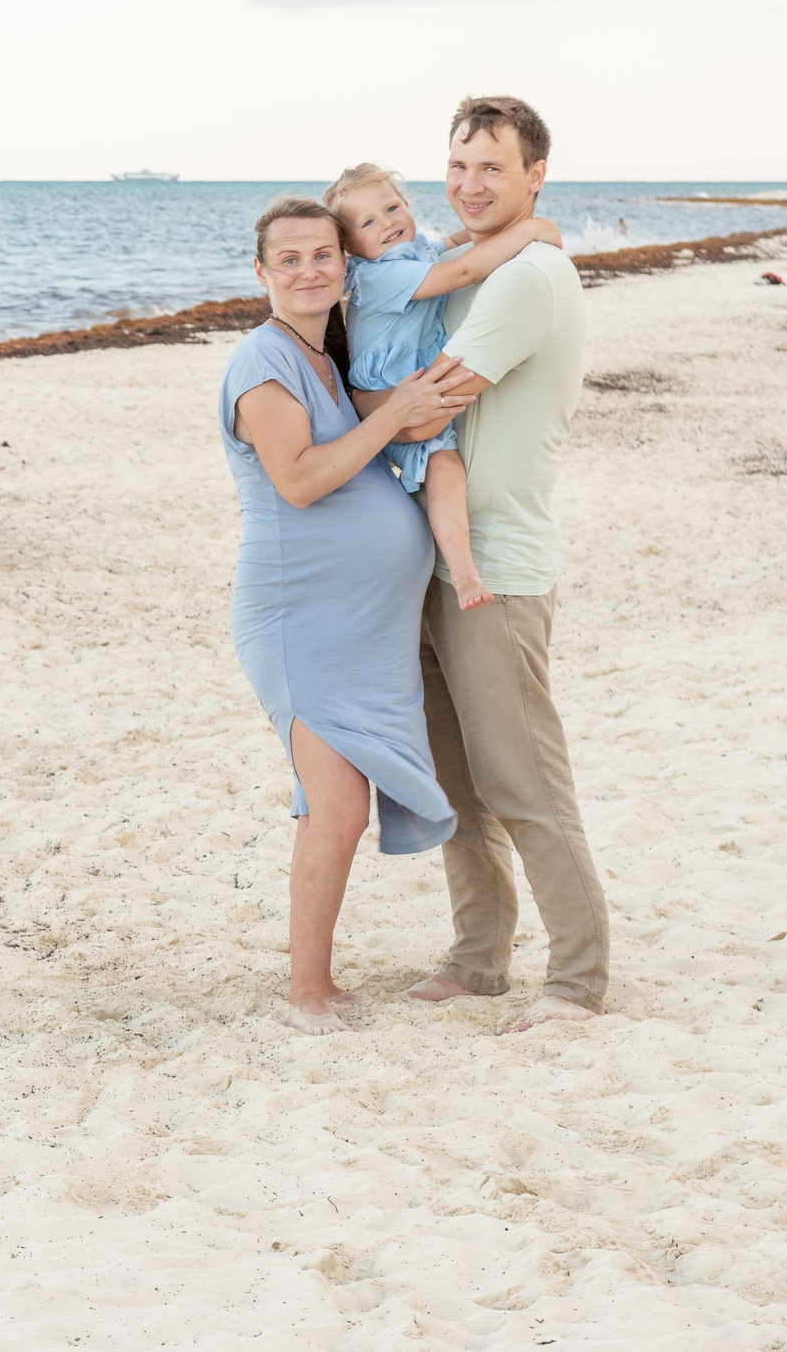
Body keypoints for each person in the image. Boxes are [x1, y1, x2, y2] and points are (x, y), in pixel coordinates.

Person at [355, 95, 608, 1033]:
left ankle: (579, 980)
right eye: (457, 167)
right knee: (456, 780)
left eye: (491, 169)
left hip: (493, 564)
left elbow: (427, 407)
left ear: (535, 174)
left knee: (523, 779)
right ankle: (478, 958)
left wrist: (348, 401)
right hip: (429, 556)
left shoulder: (527, 277)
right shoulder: (459, 272)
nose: (468, 186)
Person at [217, 198, 470, 1034]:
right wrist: (398, 414)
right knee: (337, 806)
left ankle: (316, 982)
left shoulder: (329, 352)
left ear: (345, 263)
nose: (308, 271)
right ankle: (305, 996)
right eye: (288, 259)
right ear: (261, 273)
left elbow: (388, 427)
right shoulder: (263, 363)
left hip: (359, 624)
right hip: (302, 619)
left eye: (323, 255)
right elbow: (298, 479)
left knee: (335, 804)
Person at [322, 163, 564, 612]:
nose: (388, 222)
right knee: (446, 471)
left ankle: (445, 565)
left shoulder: (412, 250)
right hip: (393, 390)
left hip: (405, 381)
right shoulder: (379, 276)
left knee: (441, 475)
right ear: (350, 246)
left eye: (392, 207)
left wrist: (483, 232)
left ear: (407, 204)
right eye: (369, 222)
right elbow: (461, 272)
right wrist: (530, 231)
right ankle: (465, 571)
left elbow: (453, 245)